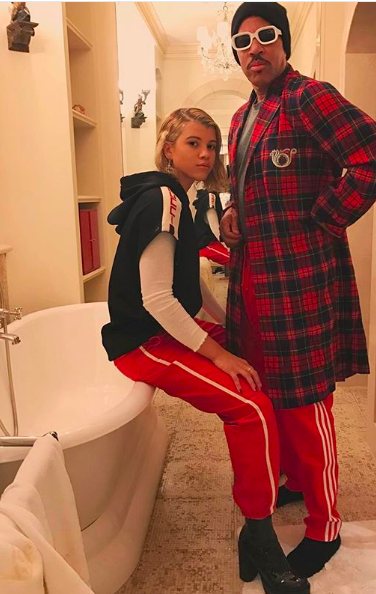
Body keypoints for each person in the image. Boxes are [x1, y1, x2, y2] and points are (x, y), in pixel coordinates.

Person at [220, 2, 376, 579]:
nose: (253, 49)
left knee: (306, 406)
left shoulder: (309, 97)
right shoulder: (241, 117)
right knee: (268, 396)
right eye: (242, 42)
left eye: (264, 36)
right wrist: (230, 212)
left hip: (299, 283)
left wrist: (324, 219)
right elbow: (243, 184)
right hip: (252, 283)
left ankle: (326, 526)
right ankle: (296, 482)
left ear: (284, 42)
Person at [101, 107, 310, 594]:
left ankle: (274, 479)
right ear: (168, 147)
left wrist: (227, 328)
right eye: (193, 143)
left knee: (256, 363)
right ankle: (258, 535)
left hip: (163, 329)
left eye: (212, 146)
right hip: (142, 342)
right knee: (250, 408)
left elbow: (187, 283)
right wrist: (218, 354)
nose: (205, 154)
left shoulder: (175, 196)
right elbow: (157, 300)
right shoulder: (162, 200)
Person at [193, 186, 230, 267]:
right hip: (206, 245)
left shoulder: (211, 196)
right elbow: (215, 228)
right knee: (236, 261)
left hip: (211, 243)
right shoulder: (210, 197)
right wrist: (227, 245)